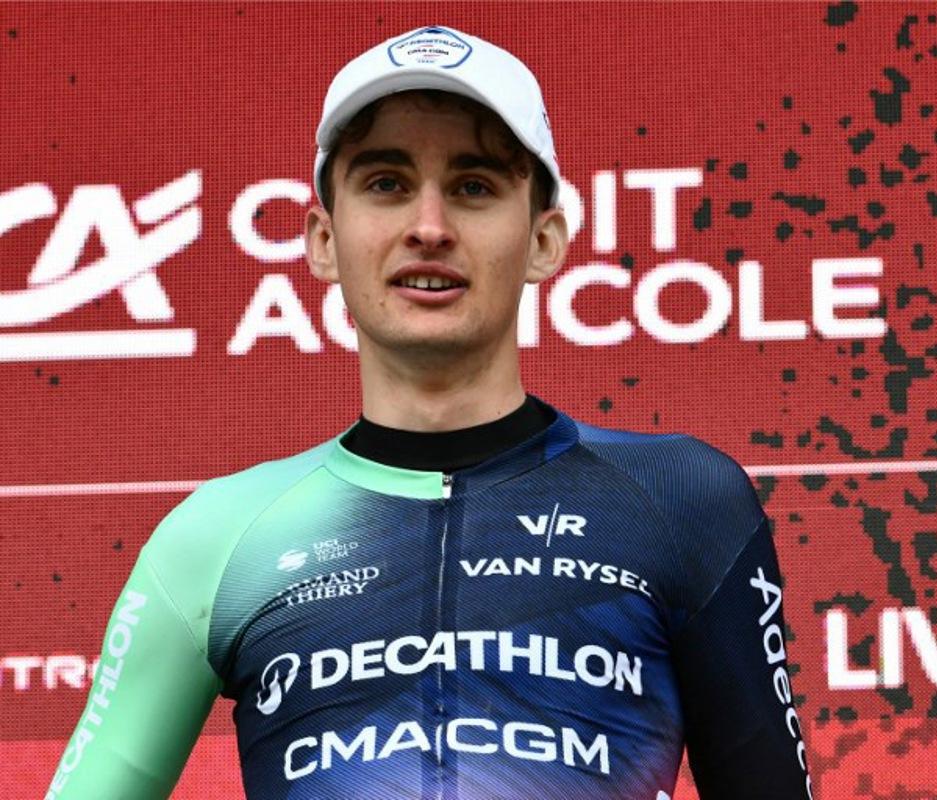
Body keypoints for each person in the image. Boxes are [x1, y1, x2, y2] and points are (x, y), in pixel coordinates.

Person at [45, 25, 811, 800]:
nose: (430, 227)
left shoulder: (683, 500)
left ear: (545, 240)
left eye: (474, 185)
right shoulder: (219, 535)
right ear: (321, 240)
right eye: (386, 183)